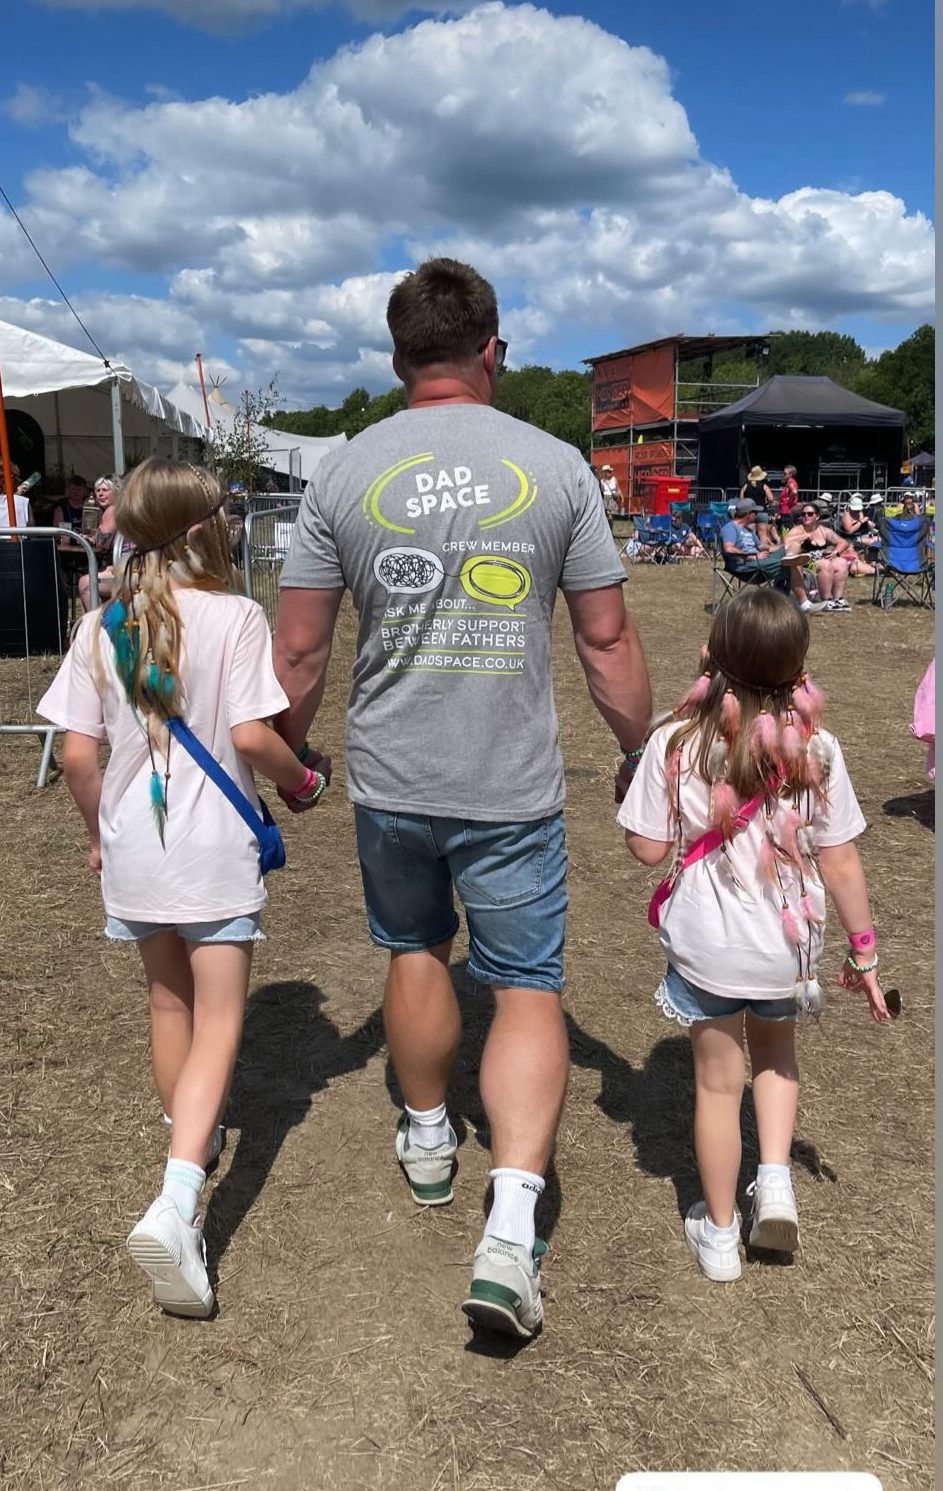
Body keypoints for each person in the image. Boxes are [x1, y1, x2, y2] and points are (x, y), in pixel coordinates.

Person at [273, 256, 652, 1340]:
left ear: (398, 361)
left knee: (412, 950)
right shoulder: (559, 467)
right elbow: (606, 636)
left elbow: (298, 649)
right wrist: (642, 752)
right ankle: (512, 1221)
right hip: (509, 782)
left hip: (394, 777)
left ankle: (431, 1135)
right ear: (493, 348)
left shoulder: (344, 474)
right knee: (527, 984)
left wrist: (290, 761)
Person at [36, 458, 325, 1319]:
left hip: (135, 851)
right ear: (205, 528)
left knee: (169, 1010)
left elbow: (78, 754)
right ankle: (178, 1197)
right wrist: (302, 784)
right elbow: (252, 735)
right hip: (210, 850)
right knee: (222, 1018)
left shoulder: (100, 624)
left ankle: (186, 1142)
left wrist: (96, 832)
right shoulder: (235, 615)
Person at [618, 588, 891, 1282]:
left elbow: (647, 849)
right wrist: (864, 952)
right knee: (775, 1056)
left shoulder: (674, 742)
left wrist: (633, 797)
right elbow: (838, 857)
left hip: (707, 948)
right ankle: (773, 1179)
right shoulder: (818, 749)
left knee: (717, 1085)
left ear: (713, 654)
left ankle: (716, 1235)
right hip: (785, 950)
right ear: (799, 664)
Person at [78, 475, 131, 611]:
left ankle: (98, 626)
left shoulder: (112, 511)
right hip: (133, 565)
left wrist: (89, 539)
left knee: (85, 583)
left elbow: (101, 544)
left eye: (105, 490)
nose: (100, 494)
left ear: (117, 492)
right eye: (98, 490)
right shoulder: (124, 509)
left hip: (126, 570)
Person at [720, 498, 794, 593]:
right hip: (745, 567)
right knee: (790, 563)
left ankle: (780, 589)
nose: (757, 515)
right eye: (755, 512)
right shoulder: (730, 528)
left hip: (759, 561)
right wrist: (751, 556)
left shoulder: (748, 530)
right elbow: (729, 549)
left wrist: (783, 546)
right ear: (749, 514)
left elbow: (760, 547)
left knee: (790, 552)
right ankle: (781, 593)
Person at [791, 503, 854, 611]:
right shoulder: (798, 530)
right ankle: (826, 600)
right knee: (826, 564)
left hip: (821, 560)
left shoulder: (823, 530)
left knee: (841, 562)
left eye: (810, 514)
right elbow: (788, 544)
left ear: (817, 516)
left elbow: (843, 542)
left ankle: (838, 599)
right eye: (804, 514)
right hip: (805, 563)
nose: (806, 516)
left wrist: (835, 552)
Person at [839, 494, 880, 578]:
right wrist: (861, 521)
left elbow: (863, 525)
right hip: (849, 538)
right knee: (871, 541)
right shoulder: (846, 515)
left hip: (860, 535)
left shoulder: (860, 512)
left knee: (877, 539)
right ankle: (870, 564)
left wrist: (869, 524)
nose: (857, 512)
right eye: (855, 510)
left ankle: (870, 562)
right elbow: (849, 531)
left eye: (858, 510)